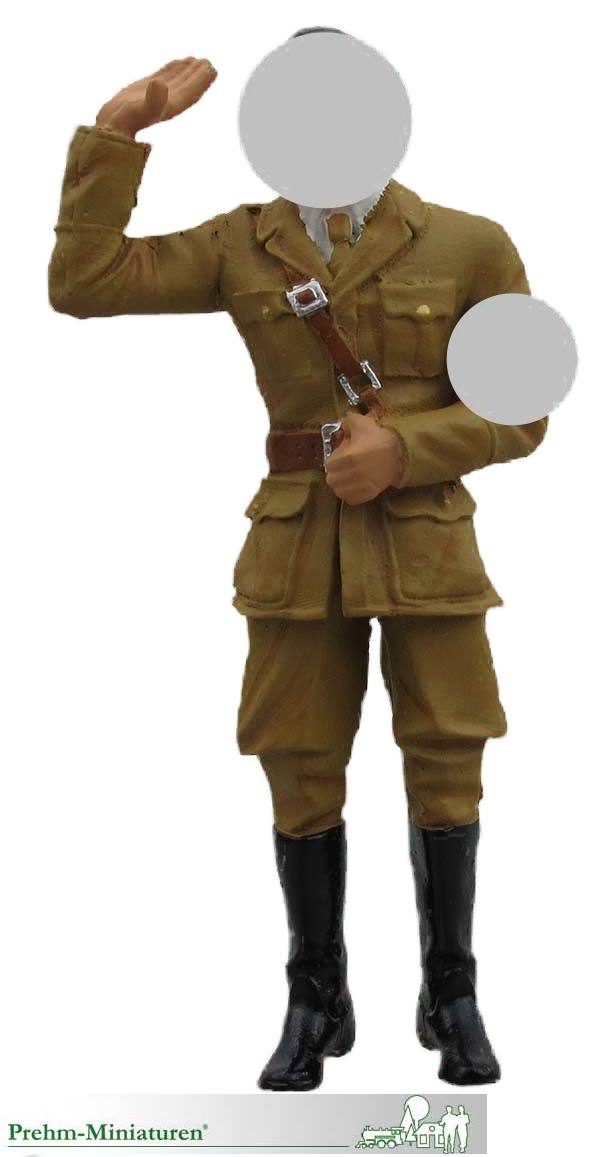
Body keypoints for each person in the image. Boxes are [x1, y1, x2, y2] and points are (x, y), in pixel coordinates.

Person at [48, 35, 547, 1090]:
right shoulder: (246, 244)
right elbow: (84, 282)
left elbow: (523, 406)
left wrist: (408, 447)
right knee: (298, 756)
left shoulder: (468, 243)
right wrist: (116, 133)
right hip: (296, 541)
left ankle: (451, 991)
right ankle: (315, 995)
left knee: (448, 750)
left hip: (423, 536)